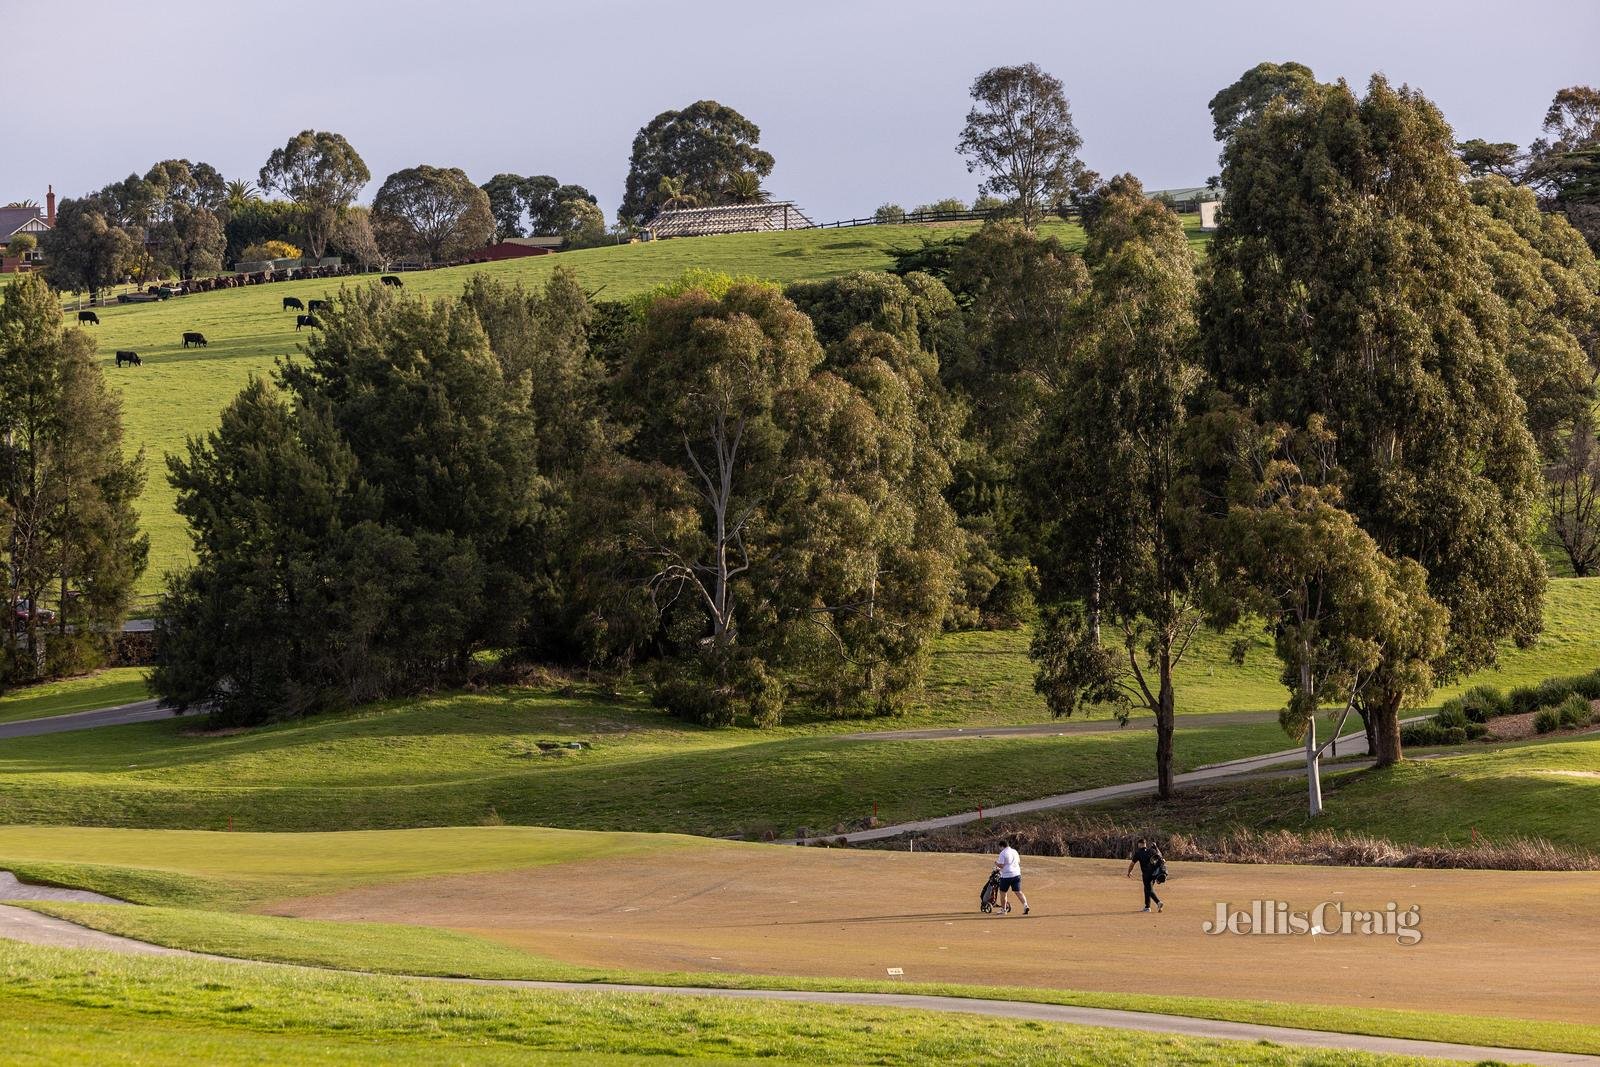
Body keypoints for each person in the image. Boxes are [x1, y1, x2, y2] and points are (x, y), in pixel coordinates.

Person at [1126, 837, 1164, 912]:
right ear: (1145, 844)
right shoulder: (1152, 850)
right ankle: (1147, 907)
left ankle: (1158, 902)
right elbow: (1160, 857)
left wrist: (1129, 872)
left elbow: (1132, 864)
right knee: (1147, 889)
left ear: (1140, 844)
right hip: (1154, 874)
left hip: (1146, 874)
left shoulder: (1138, 853)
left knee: (1148, 889)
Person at [994, 838, 1029, 915]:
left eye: (1000, 847)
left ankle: (1004, 909)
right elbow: (1018, 862)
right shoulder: (1014, 851)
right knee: (1018, 891)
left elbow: (1002, 865)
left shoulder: (1003, 853)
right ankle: (1025, 905)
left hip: (1006, 876)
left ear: (1002, 846)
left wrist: (996, 863)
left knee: (1003, 892)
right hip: (1017, 874)